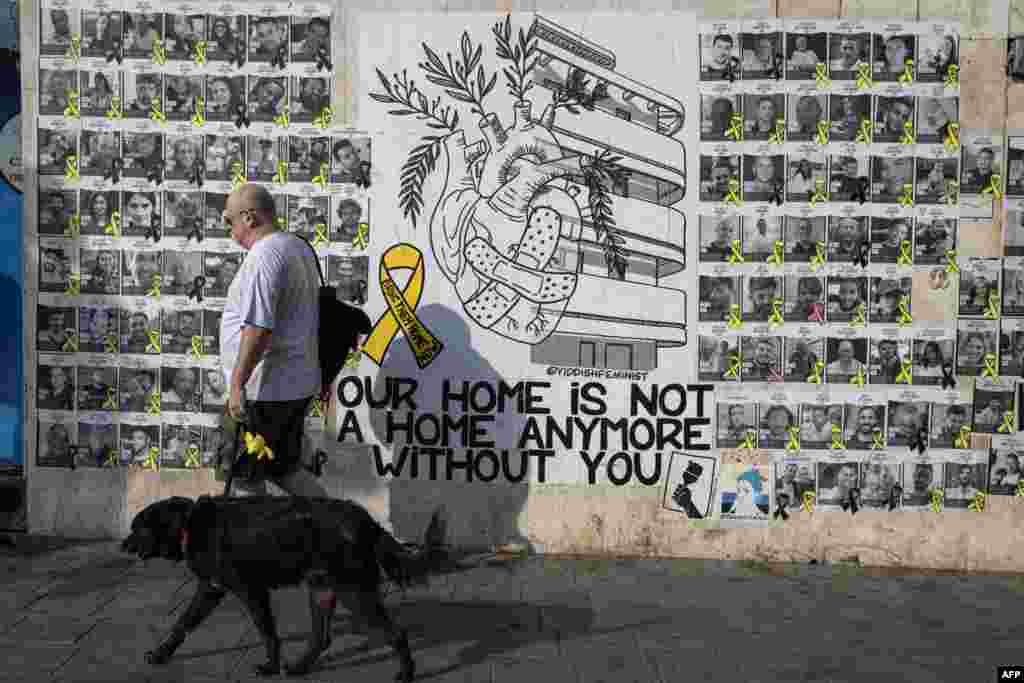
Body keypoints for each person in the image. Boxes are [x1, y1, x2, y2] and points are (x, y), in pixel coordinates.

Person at [218, 183, 329, 498]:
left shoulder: (263, 255)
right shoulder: (297, 246)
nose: (229, 229)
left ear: (250, 218)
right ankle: (340, 529)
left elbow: (258, 328)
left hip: (264, 392)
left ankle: (253, 545)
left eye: (230, 221)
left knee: (243, 476)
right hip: (292, 386)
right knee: (285, 469)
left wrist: (237, 385)